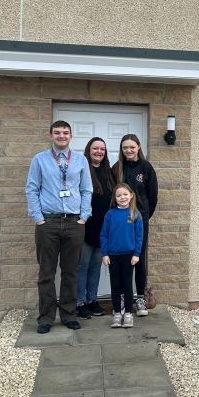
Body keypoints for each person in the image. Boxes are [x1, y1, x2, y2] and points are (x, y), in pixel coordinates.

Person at [25, 120, 92, 334]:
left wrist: (83, 216)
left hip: (74, 223)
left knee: (71, 271)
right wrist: (38, 218)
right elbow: (32, 189)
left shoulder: (80, 160)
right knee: (46, 272)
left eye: (65, 133)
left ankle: (68, 314)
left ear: (71, 136)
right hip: (48, 223)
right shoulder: (40, 160)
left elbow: (86, 190)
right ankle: (45, 318)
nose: (61, 136)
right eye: (57, 133)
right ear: (50, 136)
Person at [112, 133, 158, 317]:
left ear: (138, 147)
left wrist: (143, 216)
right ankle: (123, 299)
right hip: (120, 224)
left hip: (139, 221)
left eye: (132, 147)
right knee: (123, 261)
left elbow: (152, 197)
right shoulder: (116, 168)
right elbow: (112, 195)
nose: (129, 150)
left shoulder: (146, 168)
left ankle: (140, 300)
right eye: (125, 147)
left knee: (139, 260)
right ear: (121, 150)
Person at [76, 137, 115, 319]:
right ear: (88, 150)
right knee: (82, 266)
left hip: (103, 229)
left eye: (102, 149)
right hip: (85, 227)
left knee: (96, 267)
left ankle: (92, 300)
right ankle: (79, 302)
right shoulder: (82, 170)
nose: (99, 151)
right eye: (95, 148)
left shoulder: (109, 173)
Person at [100, 183, 144, 328]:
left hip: (129, 256)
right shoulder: (110, 214)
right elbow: (104, 235)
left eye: (125, 194)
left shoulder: (135, 214)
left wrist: (137, 254)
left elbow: (139, 237)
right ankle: (117, 313)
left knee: (127, 285)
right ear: (115, 198)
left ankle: (128, 314)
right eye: (119, 195)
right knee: (115, 285)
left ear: (131, 195)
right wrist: (105, 253)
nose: (122, 197)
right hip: (113, 256)